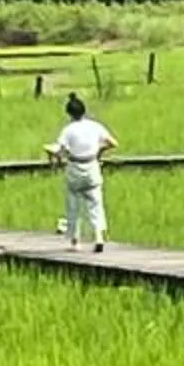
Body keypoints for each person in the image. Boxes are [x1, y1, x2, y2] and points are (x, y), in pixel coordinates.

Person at [47, 93, 119, 252]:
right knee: (96, 204)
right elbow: (113, 143)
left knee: (73, 205)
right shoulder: (95, 126)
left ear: (69, 113)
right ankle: (99, 237)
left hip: (75, 168)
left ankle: (75, 241)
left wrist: (52, 153)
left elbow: (59, 149)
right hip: (92, 166)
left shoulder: (68, 130)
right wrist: (99, 150)